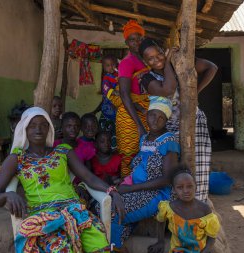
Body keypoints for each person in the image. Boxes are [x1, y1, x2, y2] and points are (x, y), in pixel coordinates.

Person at [0, 107, 125, 253]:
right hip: (44, 218)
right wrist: (7, 194)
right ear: (25, 129)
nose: (38, 130)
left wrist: (112, 192)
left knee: (100, 246)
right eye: (32, 125)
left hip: (76, 213)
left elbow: (89, 177)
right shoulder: (16, 159)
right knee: (60, 248)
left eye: (43, 125)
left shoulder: (63, 151)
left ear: (49, 127)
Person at [139, 38, 218, 202]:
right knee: (173, 171)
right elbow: (168, 89)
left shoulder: (183, 64)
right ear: (145, 62)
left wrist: (195, 92)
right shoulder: (147, 78)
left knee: (198, 167)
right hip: (168, 129)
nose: (156, 60)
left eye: (159, 54)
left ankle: (198, 207)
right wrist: (167, 62)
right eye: (150, 58)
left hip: (194, 123)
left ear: (162, 50)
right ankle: (176, 212)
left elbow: (212, 67)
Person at [111, 96, 180, 252]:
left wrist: (129, 189)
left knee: (113, 211)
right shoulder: (145, 139)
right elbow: (141, 166)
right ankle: (118, 243)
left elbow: (167, 179)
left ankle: (117, 248)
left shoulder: (169, 141)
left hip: (158, 194)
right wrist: (123, 181)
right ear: (147, 115)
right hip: (139, 189)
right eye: (153, 115)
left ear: (166, 120)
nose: (156, 120)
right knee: (101, 204)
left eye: (162, 117)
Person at [149, 166, 220, 253]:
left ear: (196, 187)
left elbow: (212, 237)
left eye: (189, 186)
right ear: (174, 190)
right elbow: (160, 221)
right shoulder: (169, 208)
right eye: (180, 187)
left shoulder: (204, 210)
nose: (186, 191)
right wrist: (160, 241)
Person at [117, 19, 151, 177]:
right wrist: (138, 125)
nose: (136, 42)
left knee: (148, 152)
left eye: (139, 38)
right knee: (129, 155)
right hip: (130, 116)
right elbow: (124, 94)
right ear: (126, 42)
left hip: (146, 111)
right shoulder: (127, 63)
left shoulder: (147, 59)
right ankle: (127, 190)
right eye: (132, 39)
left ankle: (143, 186)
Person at [93, 54, 120, 150]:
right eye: (108, 65)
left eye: (113, 65)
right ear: (104, 67)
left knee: (116, 132)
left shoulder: (119, 75)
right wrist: (114, 92)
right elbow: (106, 89)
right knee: (105, 131)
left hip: (116, 110)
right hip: (107, 108)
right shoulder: (106, 77)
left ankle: (114, 148)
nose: (112, 67)